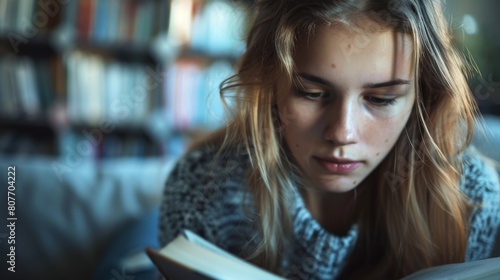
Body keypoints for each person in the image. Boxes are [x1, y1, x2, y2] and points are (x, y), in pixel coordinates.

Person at [158, 0, 500, 279]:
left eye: (381, 100)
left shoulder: (471, 201)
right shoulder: (201, 187)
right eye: (312, 93)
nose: (342, 132)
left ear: (423, 96)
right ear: (271, 87)